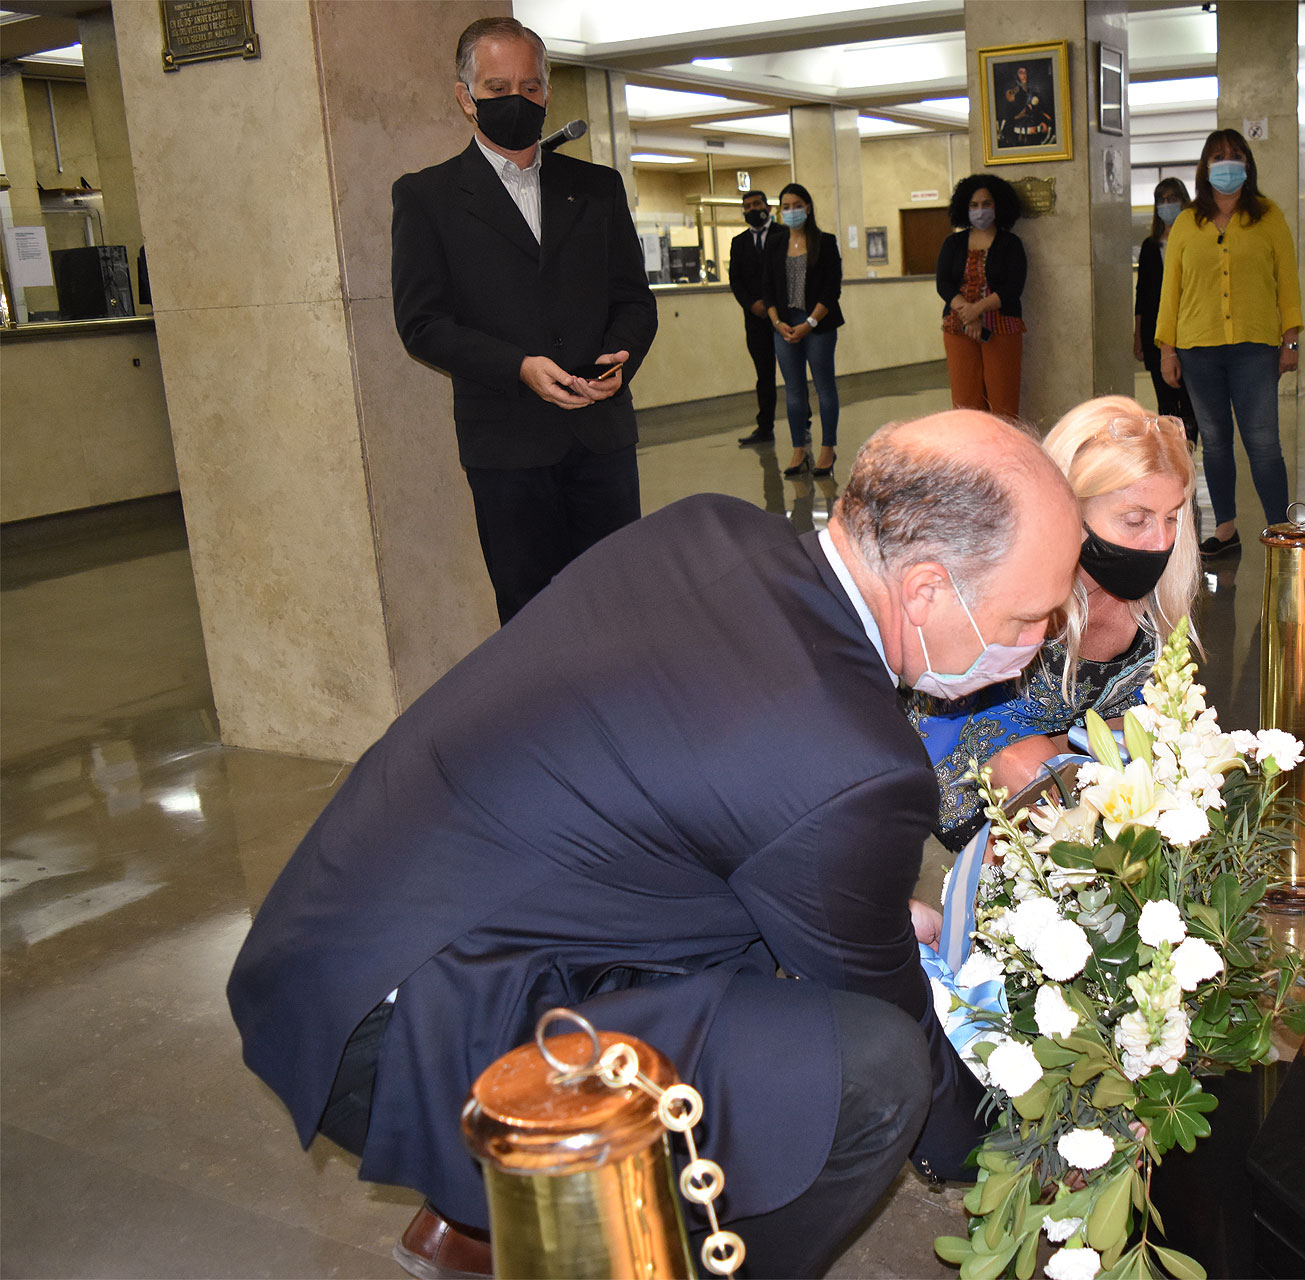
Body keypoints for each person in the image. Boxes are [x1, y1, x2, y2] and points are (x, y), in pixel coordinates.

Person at [226, 411, 1083, 1280]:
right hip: (411, 1039)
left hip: (340, 936)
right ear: (928, 588)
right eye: (1026, 617)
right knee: (870, 1073)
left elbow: (706, 805)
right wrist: (1009, 1158)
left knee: (770, 963)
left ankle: (491, 1225)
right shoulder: (849, 762)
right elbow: (887, 1003)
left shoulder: (714, 528)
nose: (1034, 647)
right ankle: (556, 1209)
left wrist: (853, 901)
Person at [391, 17, 656, 625]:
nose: (519, 100)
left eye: (531, 87)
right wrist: (519, 368)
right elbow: (423, 324)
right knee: (532, 616)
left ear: (547, 90)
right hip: (507, 447)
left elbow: (634, 301)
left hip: (601, 437)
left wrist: (619, 357)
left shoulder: (596, 188)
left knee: (621, 604)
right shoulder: (427, 198)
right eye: (498, 87)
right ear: (466, 98)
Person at [911, 396, 1199, 848]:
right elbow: (965, 711)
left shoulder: (1154, 606)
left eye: (1172, 516)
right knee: (1036, 778)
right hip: (963, 733)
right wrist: (1067, 760)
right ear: (1070, 507)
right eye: (1135, 520)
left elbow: (1138, 727)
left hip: (1060, 753)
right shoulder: (1012, 589)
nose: (1161, 541)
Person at [1155, 128, 1304, 560]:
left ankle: (1281, 526)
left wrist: (1290, 339)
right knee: (1216, 442)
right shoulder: (1187, 222)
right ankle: (1225, 529)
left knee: (1263, 442)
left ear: (1248, 164)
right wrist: (1167, 348)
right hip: (1197, 347)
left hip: (1254, 347)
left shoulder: (1268, 215)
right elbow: (1172, 289)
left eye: (1235, 155)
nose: (1227, 163)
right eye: (1218, 156)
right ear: (1205, 166)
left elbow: (1287, 280)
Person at [763, 182, 845, 478]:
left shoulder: (825, 242)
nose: (791, 211)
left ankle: (828, 448)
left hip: (817, 324)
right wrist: (776, 322)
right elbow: (768, 288)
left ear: (808, 207)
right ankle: (799, 448)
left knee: (824, 387)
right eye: (785, 207)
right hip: (783, 325)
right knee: (794, 391)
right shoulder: (775, 244)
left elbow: (831, 289)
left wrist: (810, 323)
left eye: (796, 205)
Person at [936, 174, 1028, 419]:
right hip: (958, 329)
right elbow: (943, 284)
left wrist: (978, 310)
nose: (980, 210)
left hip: (1002, 329)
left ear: (998, 206)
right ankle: (970, 457)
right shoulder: (953, 243)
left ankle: (1005, 456)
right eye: (974, 205)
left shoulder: (1011, 244)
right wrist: (968, 313)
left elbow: (1013, 288)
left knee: (1003, 402)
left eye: (986, 204)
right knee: (965, 404)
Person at [1134, 178, 1198, 438]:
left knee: (1191, 402)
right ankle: (1172, 452)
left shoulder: (1194, 241)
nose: (1167, 204)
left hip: (1190, 330)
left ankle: (1189, 448)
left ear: (1185, 202)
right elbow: (1142, 293)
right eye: (1162, 200)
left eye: (1173, 198)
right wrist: (1138, 335)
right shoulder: (1150, 247)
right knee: (1167, 403)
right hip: (1154, 332)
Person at [730, 189, 780, 447]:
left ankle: (802, 425)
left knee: (793, 374)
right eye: (747, 206)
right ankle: (765, 426)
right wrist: (752, 305)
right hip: (755, 319)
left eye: (756, 204)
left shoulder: (783, 235)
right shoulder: (739, 242)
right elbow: (735, 280)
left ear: (767, 207)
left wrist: (772, 305)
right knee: (764, 375)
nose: (752, 209)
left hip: (783, 318)